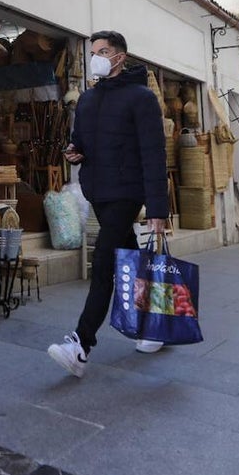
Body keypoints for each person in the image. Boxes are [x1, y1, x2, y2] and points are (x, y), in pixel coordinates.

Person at [48, 30, 169, 377]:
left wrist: (158, 209)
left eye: (102, 51)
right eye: (93, 52)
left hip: (127, 192)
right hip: (98, 192)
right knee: (129, 260)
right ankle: (153, 326)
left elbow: (154, 155)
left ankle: (80, 345)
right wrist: (74, 154)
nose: (96, 57)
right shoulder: (87, 99)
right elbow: (80, 143)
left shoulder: (142, 98)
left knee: (103, 264)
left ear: (120, 57)